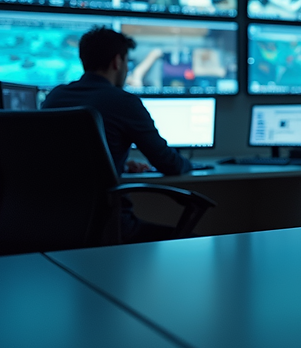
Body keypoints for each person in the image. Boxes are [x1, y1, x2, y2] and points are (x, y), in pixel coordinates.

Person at [42, 27, 192, 244]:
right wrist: (190, 164)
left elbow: (66, 157)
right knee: (195, 244)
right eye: (127, 61)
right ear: (117, 62)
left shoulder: (55, 97)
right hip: (109, 227)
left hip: (54, 224)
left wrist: (114, 163)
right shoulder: (124, 102)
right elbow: (169, 164)